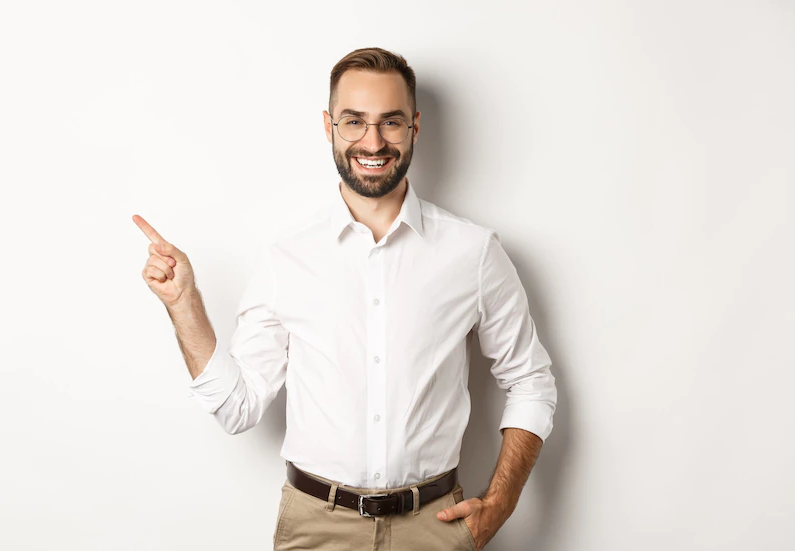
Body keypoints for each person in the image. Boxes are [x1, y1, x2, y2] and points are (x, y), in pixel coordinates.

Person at [133, 47, 557, 551]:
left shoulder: (474, 253)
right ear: (329, 126)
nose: (372, 141)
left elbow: (530, 381)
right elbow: (237, 408)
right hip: (317, 528)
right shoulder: (287, 257)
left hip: (436, 528)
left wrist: (499, 504)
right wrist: (184, 304)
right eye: (353, 121)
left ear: (415, 127)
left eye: (391, 122)